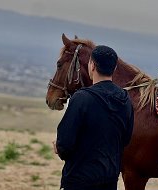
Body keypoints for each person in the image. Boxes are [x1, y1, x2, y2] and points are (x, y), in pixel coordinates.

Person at [53, 45, 134, 190]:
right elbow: (126, 138)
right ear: (114, 68)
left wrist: (59, 147)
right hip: (109, 180)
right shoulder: (125, 99)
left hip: (79, 180)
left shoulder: (81, 98)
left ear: (92, 66)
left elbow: (65, 144)